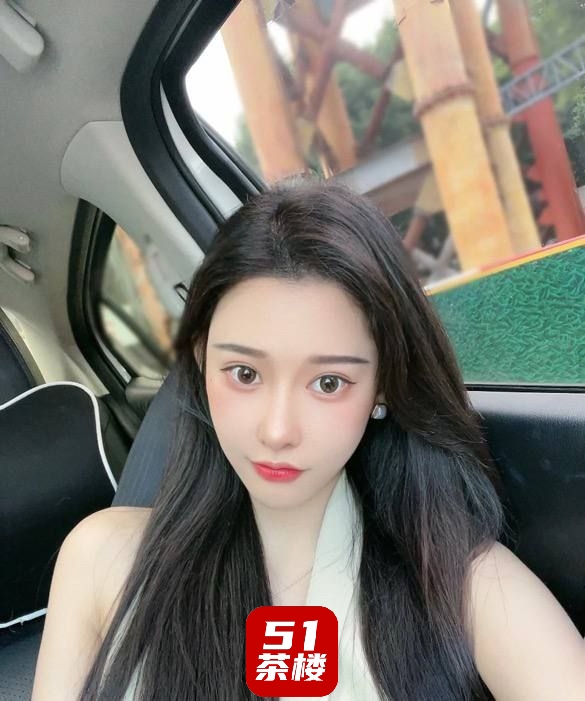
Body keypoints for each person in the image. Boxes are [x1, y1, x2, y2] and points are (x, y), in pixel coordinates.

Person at [32, 179, 585, 700]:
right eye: (244, 374)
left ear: (382, 386)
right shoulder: (102, 559)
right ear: (201, 359)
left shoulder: (468, 588)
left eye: (328, 383)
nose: (277, 431)